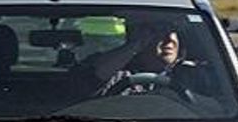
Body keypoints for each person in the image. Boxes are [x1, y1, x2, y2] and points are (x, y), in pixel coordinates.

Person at [93, 29, 221, 114]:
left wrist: (174, 97)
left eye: (173, 31)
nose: (169, 39)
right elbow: (95, 78)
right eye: (159, 32)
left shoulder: (194, 75)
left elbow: (221, 110)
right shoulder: (117, 73)